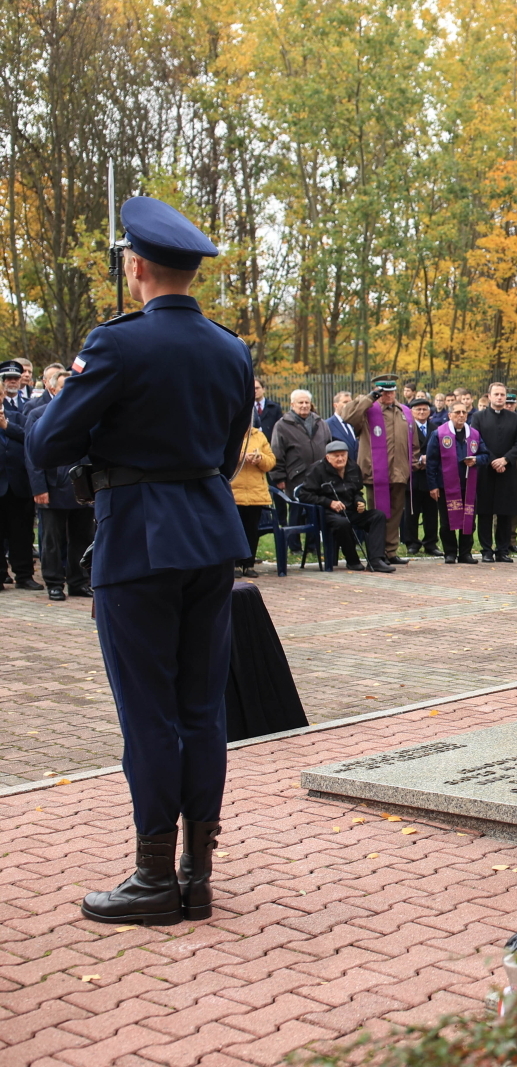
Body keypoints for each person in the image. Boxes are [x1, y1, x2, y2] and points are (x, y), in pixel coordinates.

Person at [29, 195, 252, 925]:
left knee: (150, 712)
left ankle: (155, 876)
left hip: (137, 541)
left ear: (136, 269)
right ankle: (199, 874)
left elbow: (47, 442)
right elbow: (224, 455)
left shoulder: (117, 344)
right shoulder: (229, 348)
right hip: (211, 538)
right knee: (202, 707)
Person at [25, 366, 91, 600]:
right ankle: (54, 582)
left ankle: (78, 581)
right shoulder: (39, 414)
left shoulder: (85, 414)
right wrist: (39, 488)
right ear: (52, 387)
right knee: (52, 540)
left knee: (81, 538)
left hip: (79, 488)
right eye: (64, 387)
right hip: (52, 488)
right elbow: (32, 456)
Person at [338, 376, 414, 566]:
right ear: (377, 392)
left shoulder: (404, 411)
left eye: (391, 391)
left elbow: (413, 441)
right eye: (383, 392)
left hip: (399, 472)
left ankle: (390, 551)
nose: (388, 395)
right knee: (378, 515)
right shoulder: (368, 410)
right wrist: (369, 398)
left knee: (396, 514)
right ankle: (377, 553)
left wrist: (412, 462)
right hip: (376, 472)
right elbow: (347, 415)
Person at [300, 440, 392, 571]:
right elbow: (304, 495)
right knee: (342, 523)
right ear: (327, 457)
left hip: (349, 510)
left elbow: (357, 491)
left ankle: (376, 560)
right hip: (326, 512)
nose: (340, 458)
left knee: (378, 516)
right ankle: (352, 560)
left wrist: (359, 502)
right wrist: (329, 503)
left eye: (343, 455)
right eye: (336, 456)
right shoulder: (316, 470)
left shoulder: (353, 467)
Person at [469, 383, 517, 561]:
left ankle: (502, 550)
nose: (500, 397)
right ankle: (486, 550)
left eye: (502, 394)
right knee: (485, 511)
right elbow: (476, 440)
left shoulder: (515, 419)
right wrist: (493, 459)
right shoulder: (478, 417)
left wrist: (505, 459)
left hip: (507, 470)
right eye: (496, 394)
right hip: (485, 469)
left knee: (505, 511)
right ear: (489, 396)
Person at [0, 360, 41, 589]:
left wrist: (7, 426)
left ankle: (24, 575)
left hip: (18, 484)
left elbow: (29, 437)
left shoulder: (17, 415)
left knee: (22, 533)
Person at [428, 401, 482, 563]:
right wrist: (433, 486)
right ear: (449, 415)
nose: (461, 415)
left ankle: (465, 553)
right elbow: (431, 462)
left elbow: (485, 454)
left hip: (468, 485)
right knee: (447, 521)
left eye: (464, 412)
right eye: (457, 412)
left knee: (469, 520)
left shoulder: (474, 435)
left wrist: (476, 459)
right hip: (446, 486)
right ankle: (450, 552)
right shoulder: (439, 434)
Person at [269, 389, 332, 503]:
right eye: (300, 402)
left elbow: (329, 447)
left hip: (321, 476)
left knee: (322, 511)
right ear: (292, 404)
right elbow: (277, 452)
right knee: (299, 513)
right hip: (296, 477)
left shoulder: (321, 423)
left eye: (307, 402)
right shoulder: (282, 425)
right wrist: (279, 477)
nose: (304, 405)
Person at [229, 423, 275, 578]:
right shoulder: (229, 433)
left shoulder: (259, 436)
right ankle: (235, 564)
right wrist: (240, 457)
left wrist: (259, 458)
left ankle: (249, 564)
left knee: (252, 531)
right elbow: (221, 458)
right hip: (234, 492)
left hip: (256, 493)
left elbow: (271, 462)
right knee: (235, 531)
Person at [403, 394, 441, 556]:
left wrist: (430, 459)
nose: (421, 412)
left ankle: (431, 543)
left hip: (431, 476)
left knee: (431, 513)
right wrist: (418, 459)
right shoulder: (406, 429)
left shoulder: (436, 428)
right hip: (412, 475)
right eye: (418, 409)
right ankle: (412, 542)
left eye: (424, 409)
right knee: (411, 512)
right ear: (411, 412)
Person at [250, 378, 282, 442]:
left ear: (263, 389)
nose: (255, 391)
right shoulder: (247, 409)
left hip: (271, 442)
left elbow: (280, 428)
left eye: (257, 388)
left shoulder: (274, 407)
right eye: (252, 389)